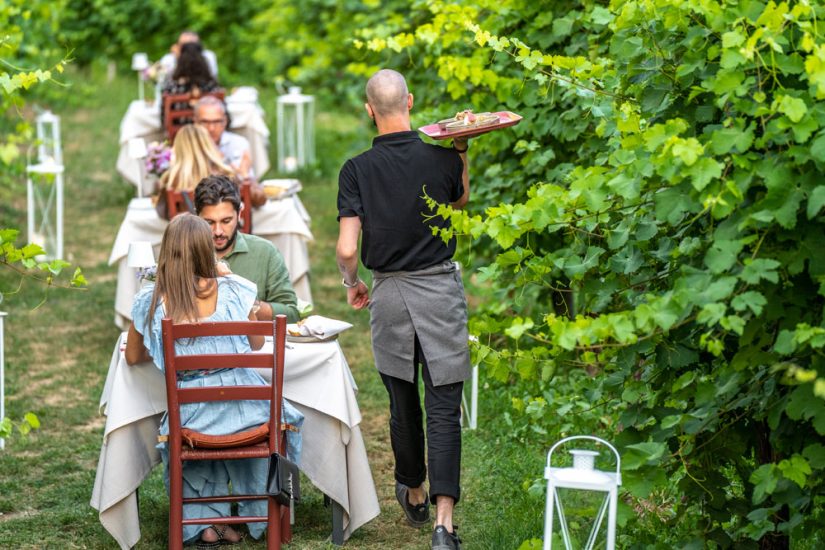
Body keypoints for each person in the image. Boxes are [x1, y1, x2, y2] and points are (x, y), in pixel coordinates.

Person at [335, 69, 470, 550]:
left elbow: (347, 248)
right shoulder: (441, 158)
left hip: (389, 294)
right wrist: (461, 149)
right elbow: (459, 200)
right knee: (444, 406)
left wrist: (352, 282)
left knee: (402, 400)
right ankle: (443, 524)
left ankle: (413, 489)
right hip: (440, 293)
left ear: (368, 110)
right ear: (409, 101)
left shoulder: (355, 169)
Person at [124, 213, 303, 547]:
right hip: (249, 413)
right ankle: (265, 511)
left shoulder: (150, 301)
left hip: (192, 419)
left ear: (167, 252)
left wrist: (168, 348)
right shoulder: (235, 290)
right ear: (208, 252)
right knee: (286, 419)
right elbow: (255, 343)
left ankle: (207, 520)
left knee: (203, 427)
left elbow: (133, 357)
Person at [195, 174, 300, 323]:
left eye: (226, 221)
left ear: (239, 214)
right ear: (196, 217)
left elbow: (291, 314)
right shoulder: (183, 254)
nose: (218, 231)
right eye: (209, 222)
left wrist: (244, 301)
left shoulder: (265, 252)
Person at [159, 124, 235, 195]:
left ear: (179, 149)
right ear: (208, 145)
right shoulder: (227, 175)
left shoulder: (170, 179)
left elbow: (161, 204)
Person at [160, 42, 221, 127]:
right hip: (208, 130)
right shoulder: (210, 84)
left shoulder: (172, 84)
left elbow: (164, 116)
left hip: (180, 130)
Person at [195, 95, 254, 179]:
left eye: (217, 121)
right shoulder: (187, 147)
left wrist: (243, 176)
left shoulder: (239, 143)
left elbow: (250, 180)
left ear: (225, 121)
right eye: (205, 122)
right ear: (196, 122)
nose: (211, 128)